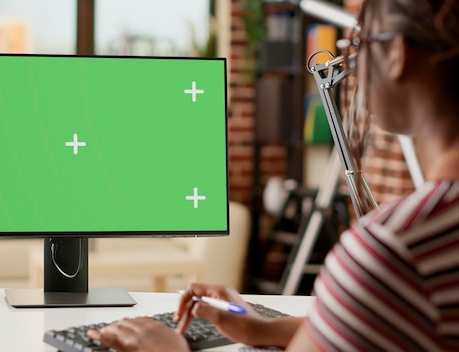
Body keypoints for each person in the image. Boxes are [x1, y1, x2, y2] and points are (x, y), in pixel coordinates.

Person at [86, 0, 459, 350]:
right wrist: (261, 328)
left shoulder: (393, 251)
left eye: (360, 42)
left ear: (396, 53)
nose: (353, 65)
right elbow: (381, 325)